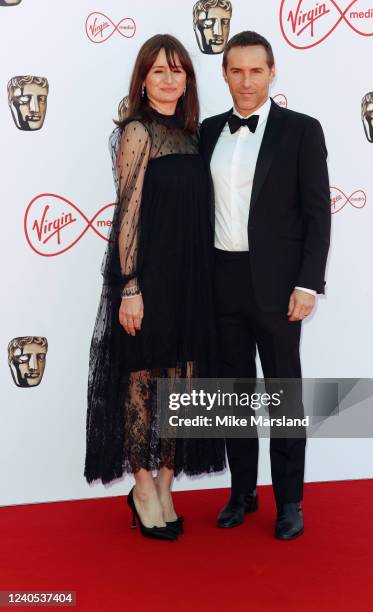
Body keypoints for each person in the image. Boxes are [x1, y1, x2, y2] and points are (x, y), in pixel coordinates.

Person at [84, 34, 225, 541]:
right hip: (148, 279)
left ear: (188, 79)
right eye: (159, 70)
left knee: (183, 383)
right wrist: (129, 286)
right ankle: (141, 486)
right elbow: (128, 215)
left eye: (179, 71)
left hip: (193, 277)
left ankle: (166, 482)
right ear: (142, 80)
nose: (169, 79)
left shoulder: (192, 135)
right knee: (142, 379)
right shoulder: (137, 132)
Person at [200, 31, 331, 539]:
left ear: (273, 72)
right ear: (225, 74)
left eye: (257, 71)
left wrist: (308, 284)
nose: (247, 81)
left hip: (279, 289)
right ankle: (242, 493)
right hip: (221, 282)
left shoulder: (301, 130)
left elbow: (318, 214)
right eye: (237, 71)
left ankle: (290, 502)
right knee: (231, 395)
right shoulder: (209, 131)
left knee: (282, 398)